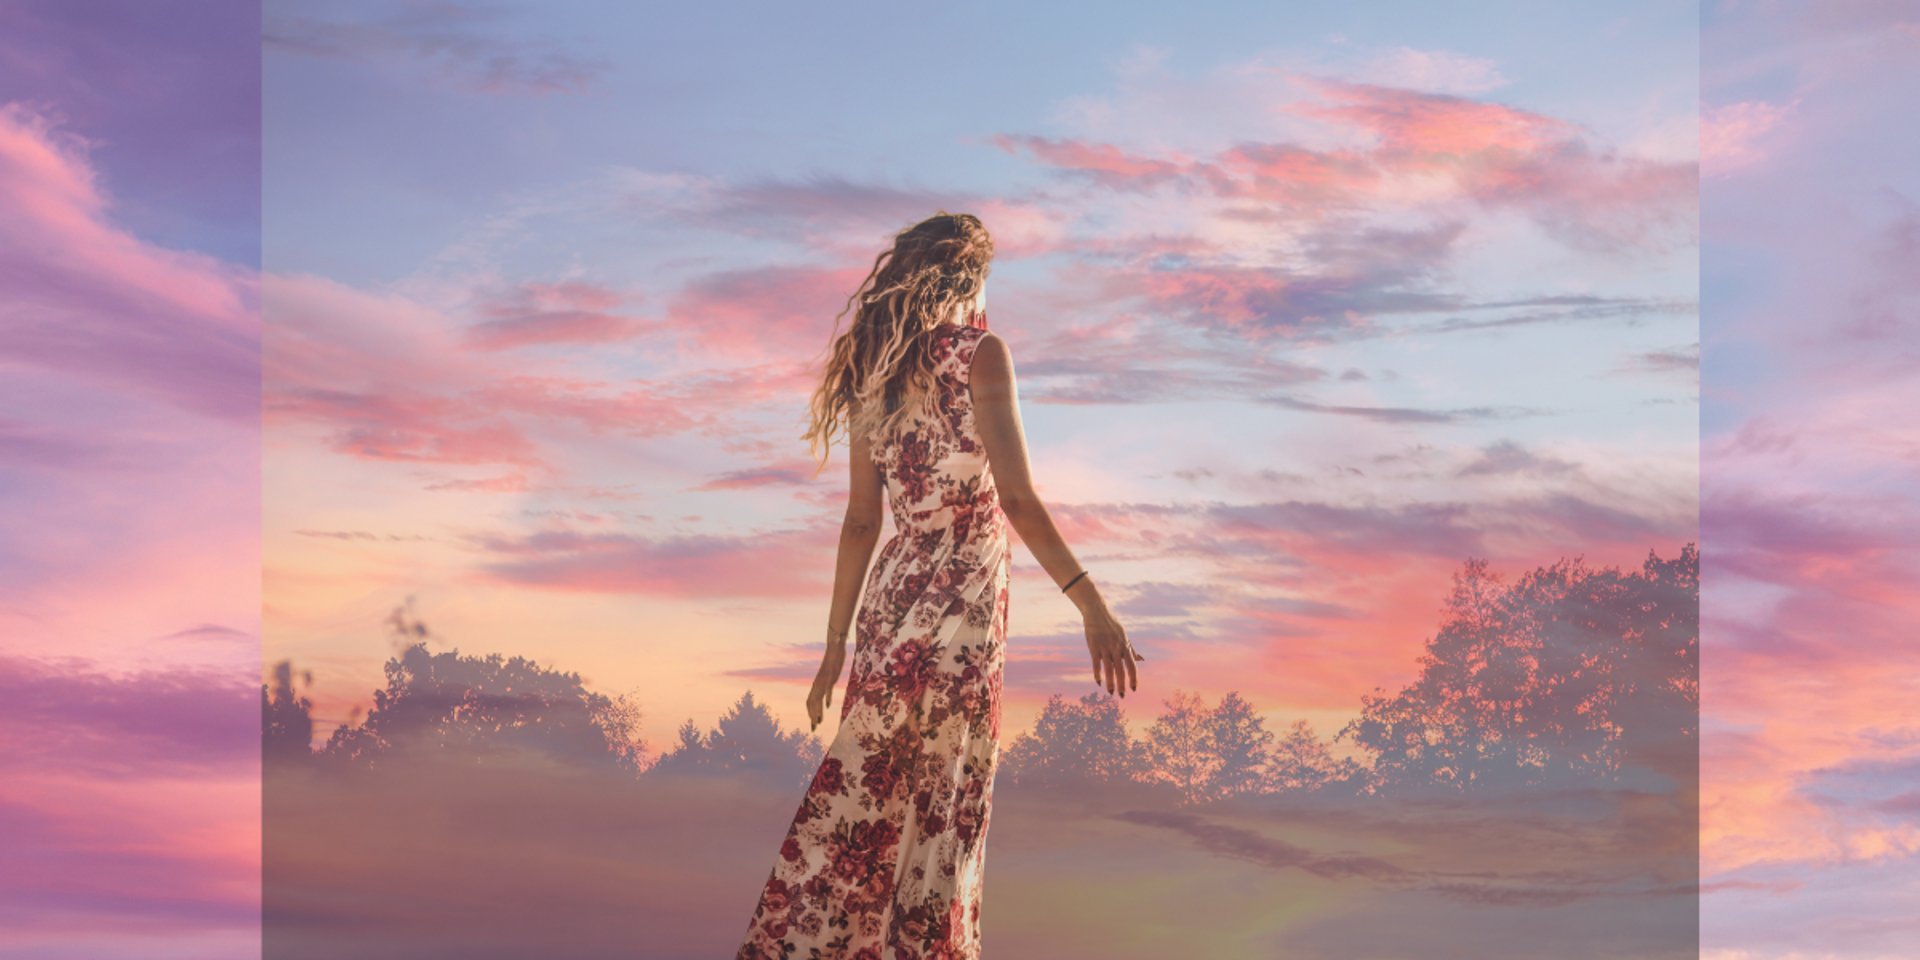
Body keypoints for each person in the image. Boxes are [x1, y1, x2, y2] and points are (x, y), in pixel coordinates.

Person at [734, 210, 1142, 959]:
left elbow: (862, 521)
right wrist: (1091, 602)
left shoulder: (873, 374)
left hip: (892, 604)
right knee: (943, 794)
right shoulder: (982, 355)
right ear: (969, 278)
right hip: (963, 606)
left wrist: (836, 645)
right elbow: (1016, 499)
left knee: (866, 787)